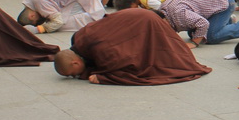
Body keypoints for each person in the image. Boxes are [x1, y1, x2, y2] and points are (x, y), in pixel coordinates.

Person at [53, 8, 212, 85]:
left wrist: (103, 77)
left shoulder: (103, 52)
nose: (74, 76)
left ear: (75, 62)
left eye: (72, 74)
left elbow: (130, 66)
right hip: (136, 15)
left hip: (147, 22)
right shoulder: (78, 37)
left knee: (165, 56)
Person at [158, 0, 239, 47]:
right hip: (215, 0)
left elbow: (203, 23)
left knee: (211, 37)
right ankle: (227, 21)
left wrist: (194, 43)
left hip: (224, 2)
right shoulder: (164, 10)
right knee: (193, 34)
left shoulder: (179, 14)